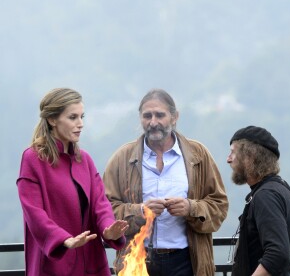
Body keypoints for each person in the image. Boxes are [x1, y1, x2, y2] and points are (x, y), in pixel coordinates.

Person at [103, 88, 229, 276]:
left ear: (174, 117)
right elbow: (104, 211)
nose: (153, 122)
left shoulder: (198, 155)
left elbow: (220, 206)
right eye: (147, 116)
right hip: (137, 259)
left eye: (160, 115)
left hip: (187, 261)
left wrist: (190, 208)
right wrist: (140, 211)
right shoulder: (122, 159)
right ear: (140, 118)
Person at [17, 88, 129, 276]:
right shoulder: (33, 159)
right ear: (52, 120)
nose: (80, 124)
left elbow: (100, 205)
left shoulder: (84, 160)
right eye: (73, 117)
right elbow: (34, 213)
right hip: (54, 264)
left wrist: (108, 230)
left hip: (91, 263)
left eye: (81, 117)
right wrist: (63, 239)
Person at [227, 125, 290, 276]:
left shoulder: (266, 196)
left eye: (233, 153)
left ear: (250, 157)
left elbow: (277, 254)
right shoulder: (280, 187)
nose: (228, 159)